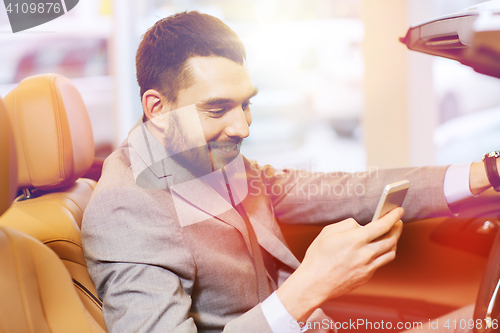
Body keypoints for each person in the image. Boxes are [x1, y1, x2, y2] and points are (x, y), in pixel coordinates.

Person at [81, 11, 497, 333]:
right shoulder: (125, 209)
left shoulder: (198, 152)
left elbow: (333, 189)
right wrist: (310, 287)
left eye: (246, 103)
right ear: (157, 108)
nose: (243, 127)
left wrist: (484, 174)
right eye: (217, 108)